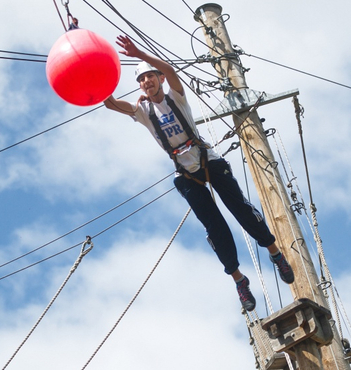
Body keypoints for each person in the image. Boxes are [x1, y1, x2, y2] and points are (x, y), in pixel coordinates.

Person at [104, 35, 294, 312]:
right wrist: (95, 80)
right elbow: (110, 103)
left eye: (150, 76)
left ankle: (275, 254)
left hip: (209, 161)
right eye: (142, 79)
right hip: (185, 173)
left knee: (240, 209)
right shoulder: (142, 111)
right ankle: (239, 280)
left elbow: (170, 70)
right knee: (214, 227)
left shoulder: (176, 99)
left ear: (159, 79)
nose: (147, 82)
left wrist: (140, 53)